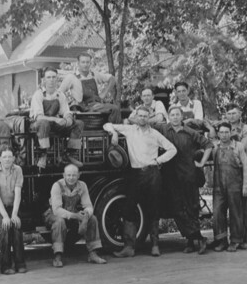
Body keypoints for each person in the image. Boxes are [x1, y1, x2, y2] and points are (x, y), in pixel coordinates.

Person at [103, 106, 177, 257]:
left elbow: (172, 149)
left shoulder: (155, 134)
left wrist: (158, 160)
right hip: (135, 173)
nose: (142, 118)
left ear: (149, 117)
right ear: (136, 117)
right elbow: (107, 124)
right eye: (140, 116)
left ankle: (155, 246)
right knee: (129, 207)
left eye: (145, 116)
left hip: (152, 173)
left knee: (153, 207)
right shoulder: (130, 130)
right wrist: (114, 133)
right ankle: (129, 247)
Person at [150, 106, 214, 254]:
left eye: (177, 115)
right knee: (177, 209)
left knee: (191, 208)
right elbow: (147, 125)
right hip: (170, 176)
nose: (174, 117)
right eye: (172, 115)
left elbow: (208, 144)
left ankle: (196, 240)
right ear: (169, 117)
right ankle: (193, 240)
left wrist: (202, 163)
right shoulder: (163, 129)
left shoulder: (190, 132)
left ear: (182, 116)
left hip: (188, 175)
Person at [44, 164, 107, 267]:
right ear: (64, 175)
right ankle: (58, 255)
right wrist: (76, 216)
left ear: (79, 175)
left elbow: (89, 206)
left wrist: (85, 217)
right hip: (53, 215)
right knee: (59, 221)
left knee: (93, 219)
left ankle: (93, 253)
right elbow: (56, 211)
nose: (71, 178)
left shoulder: (82, 185)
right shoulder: (57, 186)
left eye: (74, 175)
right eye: (68, 175)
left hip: (72, 214)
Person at [30, 67, 84, 169]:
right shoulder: (39, 94)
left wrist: (68, 119)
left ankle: (70, 154)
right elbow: (39, 117)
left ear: (57, 79)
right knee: (44, 123)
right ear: (44, 80)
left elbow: (66, 111)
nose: (51, 80)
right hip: (37, 125)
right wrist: (56, 119)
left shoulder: (60, 95)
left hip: (53, 124)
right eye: (48, 77)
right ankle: (43, 155)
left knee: (79, 123)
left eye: (53, 77)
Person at [211, 122, 247, 252]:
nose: (224, 135)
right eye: (221, 132)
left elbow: (246, 166)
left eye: (226, 132)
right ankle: (221, 241)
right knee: (218, 213)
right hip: (219, 187)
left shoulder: (238, 146)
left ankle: (235, 241)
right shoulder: (215, 147)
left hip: (235, 186)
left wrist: (245, 186)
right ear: (218, 134)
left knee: (236, 213)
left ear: (230, 133)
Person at [0, 147, 27, 275]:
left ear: (14, 158)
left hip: (13, 207)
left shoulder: (18, 170)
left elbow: (18, 193)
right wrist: (5, 216)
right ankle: (5, 266)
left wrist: (14, 214)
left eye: (10, 157)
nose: (7, 159)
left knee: (16, 225)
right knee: (5, 228)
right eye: (4, 157)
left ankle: (20, 264)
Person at [59, 52, 122, 123]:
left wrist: (104, 93)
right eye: (83, 62)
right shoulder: (71, 77)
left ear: (90, 63)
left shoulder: (94, 74)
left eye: (87, 62)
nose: (85, 65)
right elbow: (59, 93)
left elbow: (112, 79)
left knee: (115, 109)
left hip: (97, 105)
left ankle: (111, 129)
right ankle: (114, 130)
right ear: (78, 63)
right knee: (115, 108)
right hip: (83, 108)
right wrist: (66, 108)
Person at [225, 103, 247, 249]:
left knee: (243, 205)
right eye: (229, 114)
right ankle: (232, 237)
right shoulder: (224, 128)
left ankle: (244, 238)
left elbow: (242, 148)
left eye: (234, 113)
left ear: (240, 114)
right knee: (231, 205)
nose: (231, 116)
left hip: (243, 169)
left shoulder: (246, 129)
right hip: (228, 171)